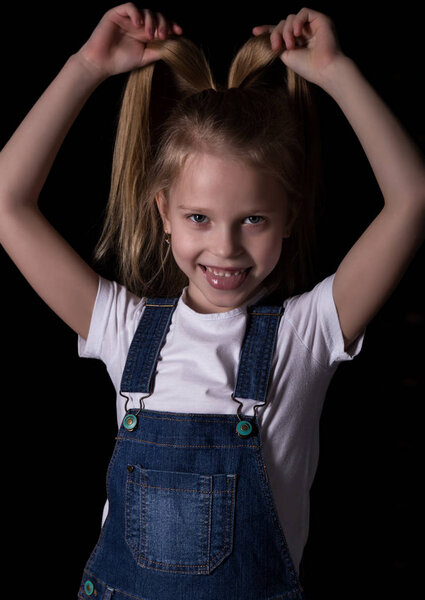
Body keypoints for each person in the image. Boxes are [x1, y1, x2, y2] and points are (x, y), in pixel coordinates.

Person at [1, 4, 424, 599]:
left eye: (252, 219)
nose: (224, 248)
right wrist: (87, 66)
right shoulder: (124, 329)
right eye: (198, 217)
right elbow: (6, 205)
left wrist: (336, 72)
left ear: (288, 219)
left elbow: (412, 200)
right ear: (164, 215)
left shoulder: (305, 335)